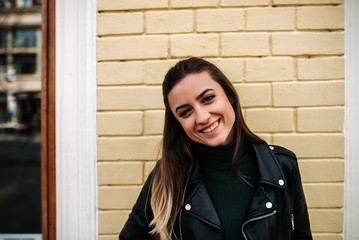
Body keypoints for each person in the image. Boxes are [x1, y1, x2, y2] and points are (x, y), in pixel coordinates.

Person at [119, 57, 312, 240]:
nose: (202, 117)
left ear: (229, 96)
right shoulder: (165, 176)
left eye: (208, 98)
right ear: (178, 123)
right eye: (186, 112)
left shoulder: (281, 166)